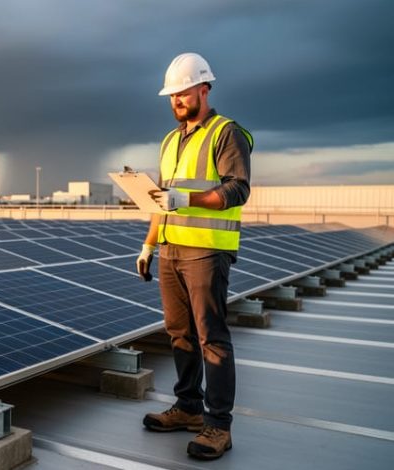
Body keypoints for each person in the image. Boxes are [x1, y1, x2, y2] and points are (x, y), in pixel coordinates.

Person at [137, 52, 253, 460]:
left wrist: (184, 197)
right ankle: (188, 407)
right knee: (178, 333)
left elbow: (237, 189)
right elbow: (162, 202)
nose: (176, 101)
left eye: (183, 93)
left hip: (206, 252)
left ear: (204, 88)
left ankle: (218, 425)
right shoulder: (170, 140)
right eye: (171, 95)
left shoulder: (226, 133)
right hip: (170, 249)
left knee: (212, 338)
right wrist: (149, 245)